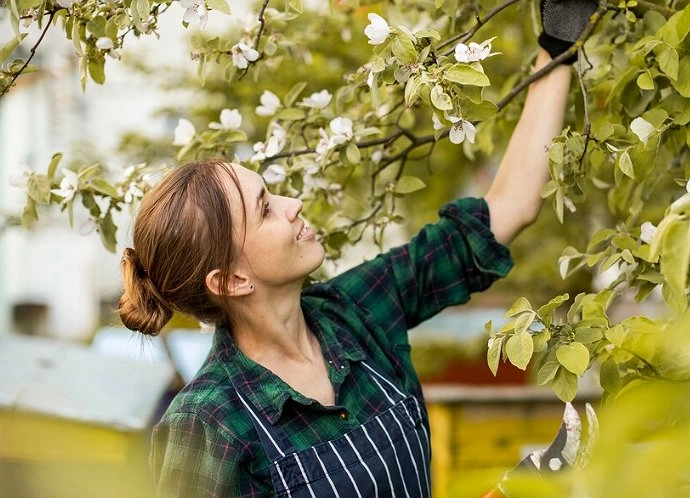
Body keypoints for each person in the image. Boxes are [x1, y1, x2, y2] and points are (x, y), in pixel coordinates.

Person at [118, 1, 596, 496]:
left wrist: (558, 43)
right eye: (264, 209)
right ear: (232, 280)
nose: (293, 204)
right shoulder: (210, 423)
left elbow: (508, 210)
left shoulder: (355, 315)